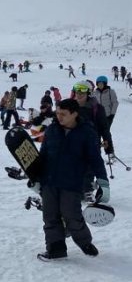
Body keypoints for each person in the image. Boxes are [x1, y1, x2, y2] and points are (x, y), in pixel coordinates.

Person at [36, 99, 108, 259]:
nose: (59, 117)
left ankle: (85, 242)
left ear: (74, 114)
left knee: (72, 215)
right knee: (50, 216)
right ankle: (56, 249)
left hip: (72, 183)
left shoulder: (87, 133)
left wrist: (103, 182)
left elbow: (96, 159)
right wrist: (35, 177)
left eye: (63, 114)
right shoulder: (52, 130)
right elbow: (43, 155)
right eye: (57, 113)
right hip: (49, 181)